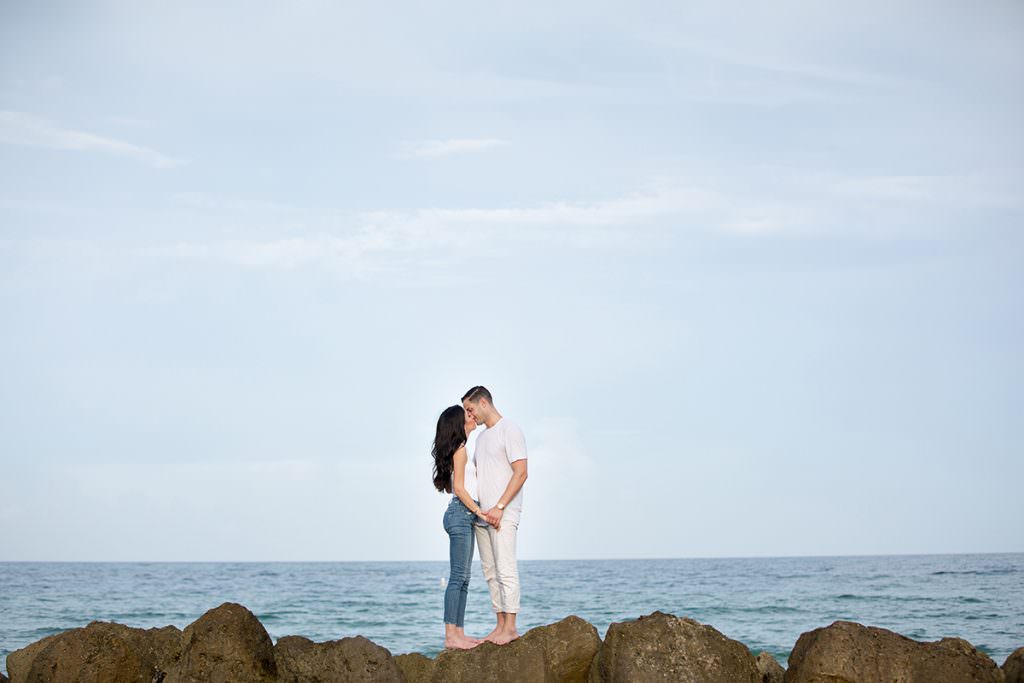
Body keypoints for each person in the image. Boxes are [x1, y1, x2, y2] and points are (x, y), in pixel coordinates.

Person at [462, 386, 528, 645]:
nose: (470, 415)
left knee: (506, 568)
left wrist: (499, 507)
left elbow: (521, 472)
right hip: (482, 516)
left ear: (483, 403)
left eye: (471, 409)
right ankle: (500, 625)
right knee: (490, 572)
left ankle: (511, 628)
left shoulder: (509, 429)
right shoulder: (480, 438)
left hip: (504, 513)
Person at [431, 404, 490, 649]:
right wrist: (479, 512)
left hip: (461, 514)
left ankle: (459, 633)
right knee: (458, 578)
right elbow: (460, 489)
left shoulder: (460, 449)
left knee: (463, 579)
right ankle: (451, 637)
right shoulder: (461, 450)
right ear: (459, 422)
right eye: (467, 414)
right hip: (461, 513)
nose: (472, 416)